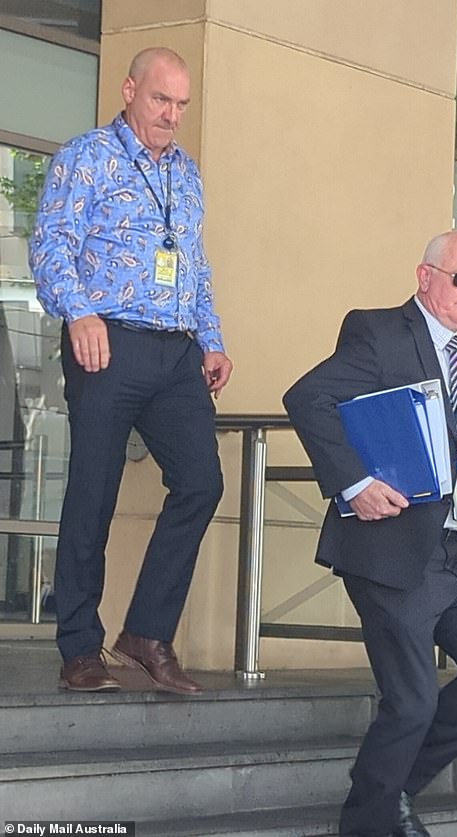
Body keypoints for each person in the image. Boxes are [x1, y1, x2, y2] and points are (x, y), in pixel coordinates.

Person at [283, 230, 457, 837]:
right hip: (395, 551)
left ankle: (390, 791)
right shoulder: (380, 333)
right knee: (413, 702)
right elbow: (308, 397)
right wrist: (353, 485)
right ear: (426, 277)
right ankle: (369, 821)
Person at [29, 47, 232, 695]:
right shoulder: (86, 156)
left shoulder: (186, 174)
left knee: (202, 480)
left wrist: (212, 338)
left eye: (181, 105)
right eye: (160, 100)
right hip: (105, 341)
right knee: (94, 491)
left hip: (176, 350)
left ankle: (146, 631)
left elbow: (193, 263)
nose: (172, 115)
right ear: (129, 91)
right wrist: (78, 311)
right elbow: (51, 241)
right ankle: (80, 647)